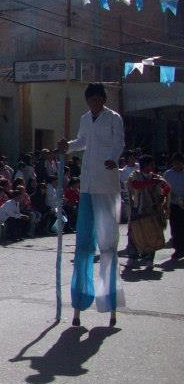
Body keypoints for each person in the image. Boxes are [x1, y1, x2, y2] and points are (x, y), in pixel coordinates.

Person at [58, 83, 125, 327]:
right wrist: (68, 146)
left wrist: (113, 159)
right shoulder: (86, 118)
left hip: (107, 187)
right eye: (91, 100)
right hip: (87, 187)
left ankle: (109, 302)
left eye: (98, 99)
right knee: (83, 246)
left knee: (108, 246)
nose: (94, 103)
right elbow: (82, 142)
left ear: (103, 100)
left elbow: (119, 143)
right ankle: (80, 301)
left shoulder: (114, 118)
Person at [126, 155, 170, 271]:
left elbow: (167, 188)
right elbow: (135, 185)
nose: (153, 166)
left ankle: (149, 259)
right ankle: (132, 257)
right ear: (145, 165)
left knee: (152, 233)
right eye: (151, 164)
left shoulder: (155, 176)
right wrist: (151, 182)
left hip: (151, 209)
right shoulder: (135, 175)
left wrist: (162, 196)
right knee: (134, 233)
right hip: (137, 208)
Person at [164, 152, 184, 261]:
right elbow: (165, 188)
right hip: (174, 204)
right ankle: (178, 250)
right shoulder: (168, 174)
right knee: (175, 228)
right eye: (175, 163)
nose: (177, 165)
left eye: (179, 163)